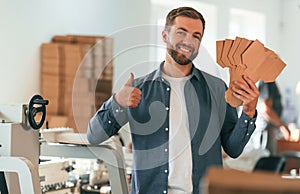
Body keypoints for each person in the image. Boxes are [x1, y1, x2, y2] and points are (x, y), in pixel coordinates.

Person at [87, 7, 259, 194]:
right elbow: (94, 136)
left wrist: (248, 113)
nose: (188, 41)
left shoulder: (217, 88)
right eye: (181, 32)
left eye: (196, 36)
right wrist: (117, 102)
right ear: (164, 35)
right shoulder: (138, 89)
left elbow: (233, 149)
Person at [255, 80, 290, 155]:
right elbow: (265, 109)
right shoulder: (266, 81)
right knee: (266, 160)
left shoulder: (268, 81)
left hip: (268, 130)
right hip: (265, 131)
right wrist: (282, 126)